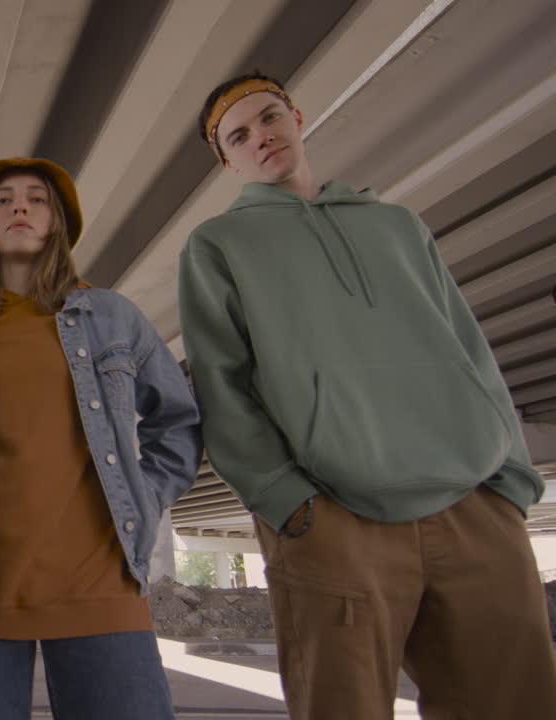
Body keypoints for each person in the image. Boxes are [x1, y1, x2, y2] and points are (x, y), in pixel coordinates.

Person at [178, 72, 556, 719]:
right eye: (239, 136)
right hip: (332, 516)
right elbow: (223, 385)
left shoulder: (396, 225)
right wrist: (286, 502)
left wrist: (510, 476)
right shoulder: (219, 246)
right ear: (226, 160)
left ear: (296, 117)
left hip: (474, 509)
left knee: (517, 705)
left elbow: (469, 349)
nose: (260, 137)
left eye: (269, 118)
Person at [0, 156, 202, 720]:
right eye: (3, 199)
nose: (19, 206)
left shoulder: (112, 317)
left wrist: (146, 499)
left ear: (57, 224)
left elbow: (178, 421)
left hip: (100, 586)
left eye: (36, 198)